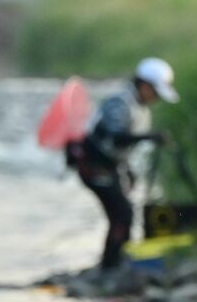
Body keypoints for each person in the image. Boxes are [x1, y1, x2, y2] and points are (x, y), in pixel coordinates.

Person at [72, 57, 178, 271]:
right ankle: (110, 267)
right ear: (144, 85)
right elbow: (116, 137)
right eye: (156, 92)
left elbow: (121, 148)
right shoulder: (119, 103)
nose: (156, 98)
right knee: (123, 215)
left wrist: (128, 170)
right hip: (93, 166)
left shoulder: (140, 107)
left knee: (122, 215)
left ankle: (114, 263)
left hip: (109, 166)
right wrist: (150, 137)